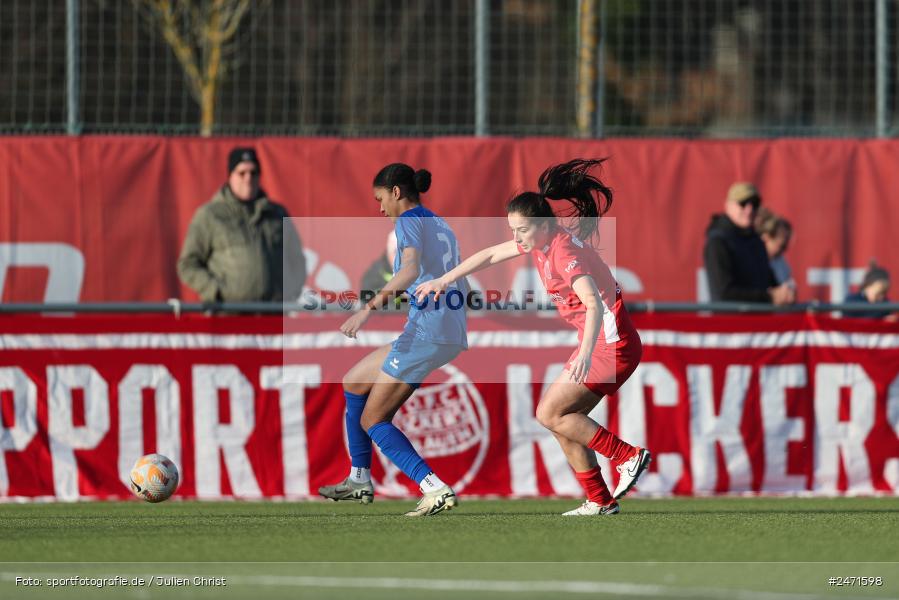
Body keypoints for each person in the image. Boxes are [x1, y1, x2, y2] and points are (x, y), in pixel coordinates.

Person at [416, 159, 650, 516]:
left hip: (610, 344)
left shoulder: (563, 252)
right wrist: (443, 281)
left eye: (522, 230)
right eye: (513, 229)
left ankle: (628, 456)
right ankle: (600, 500)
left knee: (550, 413)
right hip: (605, 342)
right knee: (561, 420)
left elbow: (592, 304)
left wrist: (586, 353)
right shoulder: (541, 243)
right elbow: (491, 254)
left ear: (543, 225)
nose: (516, 237)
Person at [318, 163, 468, 517]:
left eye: (381, 198)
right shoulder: (438, 222)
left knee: (374, 420)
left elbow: (410, 270)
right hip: (445, 328)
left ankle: (434, 487)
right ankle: (359, 478)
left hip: (429, 329)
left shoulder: (409, 220)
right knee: (354, 381)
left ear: (396, 192)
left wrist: (367, 308)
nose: (380, 208)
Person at [177, 147, 306, 303]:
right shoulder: (210, 215)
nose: (248, 178)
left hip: (271, 314)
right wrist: (215, 291)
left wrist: (290, 291)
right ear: (230, 176)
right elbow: (188, 264)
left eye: (253, 173)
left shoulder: (276, 214)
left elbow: (296, 259)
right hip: (228, 315)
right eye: (242, 173)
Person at [703, 182, 794, 305]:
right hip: (731, 322)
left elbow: (769, 282)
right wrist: (769, 297)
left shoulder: (755, 240)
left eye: (754, 204)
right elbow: (723, 293)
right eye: (743, 203)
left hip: (759, 321)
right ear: (728, 205)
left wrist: (784, 293)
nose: (749, 209)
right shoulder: (718, 242)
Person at [754, 207, 794, 288]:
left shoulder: (781, 263)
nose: (783, 251)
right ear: (765, 238)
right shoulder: (750, 262)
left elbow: (789, 287)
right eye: (781, 246)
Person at [359, 230, 398, 300]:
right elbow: (366, 300)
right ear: (388, 253)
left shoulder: (420, 272)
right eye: (396, 252)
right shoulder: (374, 274)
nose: (400, 257)